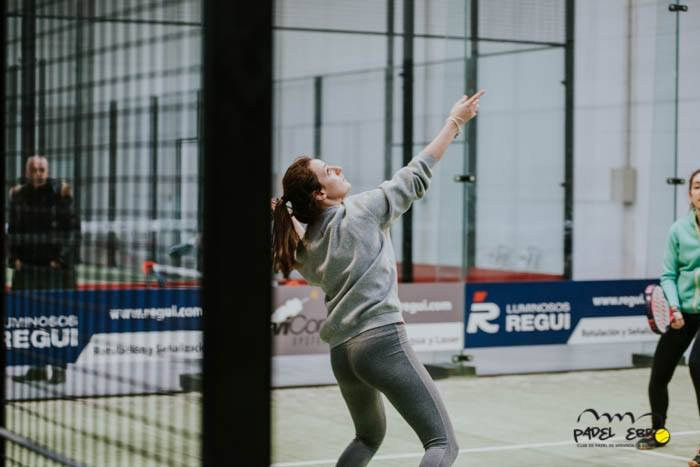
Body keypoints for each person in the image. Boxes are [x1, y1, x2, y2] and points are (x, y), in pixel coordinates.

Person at [271, 90, 484, 466]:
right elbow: (417, 171)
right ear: (320, 194)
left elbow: (293, 239)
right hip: (381, 342)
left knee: (367, 438)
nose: (337, 168)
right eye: (328, 171)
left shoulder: (305, 248)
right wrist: (455, 122)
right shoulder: (362, 211)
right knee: (442, 444)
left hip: (343, 355)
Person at [635, 169, 700, 461]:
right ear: (690, 194)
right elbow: (668, 275)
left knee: (698, 366)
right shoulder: (678, 230)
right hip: (682, 311)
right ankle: (658, 432)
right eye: (697, 186)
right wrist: (674, 308)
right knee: (659, 374)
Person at [7, 155, 81, 384]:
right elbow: (12, 230)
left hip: (55, 269)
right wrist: (13, 258)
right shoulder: (19, 196)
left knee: (58, 318)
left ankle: (59, 369)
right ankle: (36, 368)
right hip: (28, 267)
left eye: (42, 169)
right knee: (31, 317)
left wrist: (61, 259)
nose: (38, 174)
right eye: (34, 170)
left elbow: (73, 230)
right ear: (27, 172)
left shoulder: (61, 194)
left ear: (47, 172)